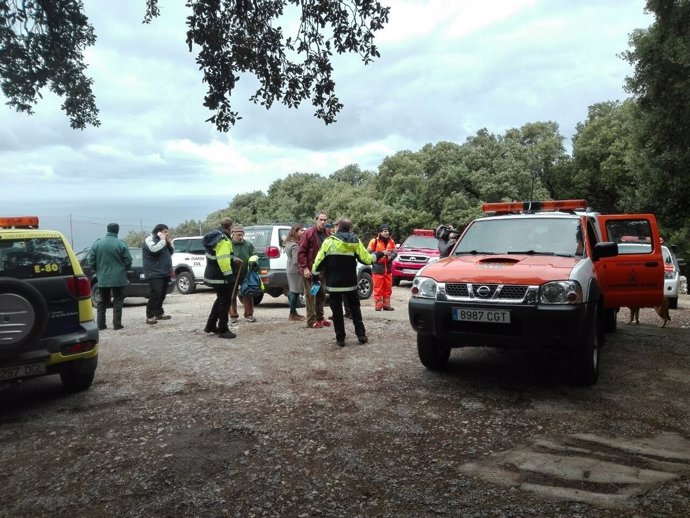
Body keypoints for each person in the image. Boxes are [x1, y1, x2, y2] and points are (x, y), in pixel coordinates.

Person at [312, 218, 384, 346]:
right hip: (350, 283)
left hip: (334, 284)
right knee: (355, 309)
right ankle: (361, 335)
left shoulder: (329, 241)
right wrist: (379, 254)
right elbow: (367, 259)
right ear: (349, 228)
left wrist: (314, 275)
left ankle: (340, 339)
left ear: (339, 226)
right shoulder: (355, 241)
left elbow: (319, 261)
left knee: (337, 311)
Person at [87, 223, 132, 331]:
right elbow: (128, 260)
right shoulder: (121, 244)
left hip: (102, 277)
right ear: (117, 230)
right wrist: (124, 269)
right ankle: (117, 325)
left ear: (107, 230)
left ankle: (101, 325)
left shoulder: (98, 243)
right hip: (119, 277)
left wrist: (97, 270)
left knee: (103, 301)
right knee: (118, 300)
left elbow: (91, 260)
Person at [202, 217, 238, 339]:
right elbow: (223, 260)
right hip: (221, 277)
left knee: (220, 300)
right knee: (224, 303)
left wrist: (232, 259)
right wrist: (229, 276)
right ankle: (223, 329)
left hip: (213, 275)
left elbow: (218, 255)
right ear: (230, 227)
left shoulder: (215, 236)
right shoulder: (223, 240)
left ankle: (210, 325)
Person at [297, 211, 331, 329]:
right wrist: (305, 268)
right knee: (311, 296)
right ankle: (311, 321)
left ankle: (320, 318)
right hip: (310, 270)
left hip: (322, 270)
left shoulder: (327, 233)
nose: (323, 222)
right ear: (316, 220)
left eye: (325, 220)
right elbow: (301, 252)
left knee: (321, 294)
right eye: (320, 220)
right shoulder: (309, 233)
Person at [142, 223, 174, 324]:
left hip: (165, 271)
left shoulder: (164, 241)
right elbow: (154, 250)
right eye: (165, 232)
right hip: (154, 272)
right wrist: (162, 241)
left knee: (162, 294)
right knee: (155, 293)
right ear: (159, 232)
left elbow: (171, 252)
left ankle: (159, 312)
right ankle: (150, 316)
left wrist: (169, 243)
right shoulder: (149, 240)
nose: (167, 234)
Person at [229, 225, 258, 323]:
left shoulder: (248, 244)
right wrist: (233, 259)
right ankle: (233, 315)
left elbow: (255, 255)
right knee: (232, 294)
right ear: (233, 234)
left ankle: (249, 314)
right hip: (233, 273)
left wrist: (253, 261)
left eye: (242, 234)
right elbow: (226, 256)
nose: (240, 237)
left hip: (245, 272)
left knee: (247, 293)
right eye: (238, 235)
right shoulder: (229, 244)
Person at [367, 224, 397, 311]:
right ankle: (378, 306)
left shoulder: (391, 241)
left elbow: (395, 252)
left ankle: (386, 305)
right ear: (380, 232)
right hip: (377, 267)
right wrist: (380, 254)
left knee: (388, 288)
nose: (387, 233)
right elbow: (368, 253)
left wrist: (391, 257)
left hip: (388, 267)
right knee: (378, 288)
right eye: (385, 231)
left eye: (387, 231)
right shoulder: (374, 241)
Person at [284, 223, 306, 321]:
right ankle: (292, 313)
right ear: (295, 232)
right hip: (295, 270)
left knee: (293, 291)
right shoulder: (295, 245)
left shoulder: (289, 242)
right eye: (301, 230)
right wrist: (303, 268)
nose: (303, 231)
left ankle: (293, 312)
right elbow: (296, 260)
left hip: (290, 269)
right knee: (295, 292)